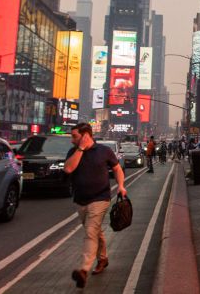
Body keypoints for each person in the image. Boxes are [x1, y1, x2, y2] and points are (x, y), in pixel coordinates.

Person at [64, 122, 126, 289]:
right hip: (80, 200)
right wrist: (81, 149)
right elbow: (68, 169)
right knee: (95, 231)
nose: (71, 140)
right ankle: (103, 259)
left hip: (101, 198)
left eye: (74, 136)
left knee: (91, 231)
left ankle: (84, 270)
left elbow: (118, 169)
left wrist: (120, 186)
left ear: (86, 135)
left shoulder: (104, 151)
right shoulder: (73, 151)